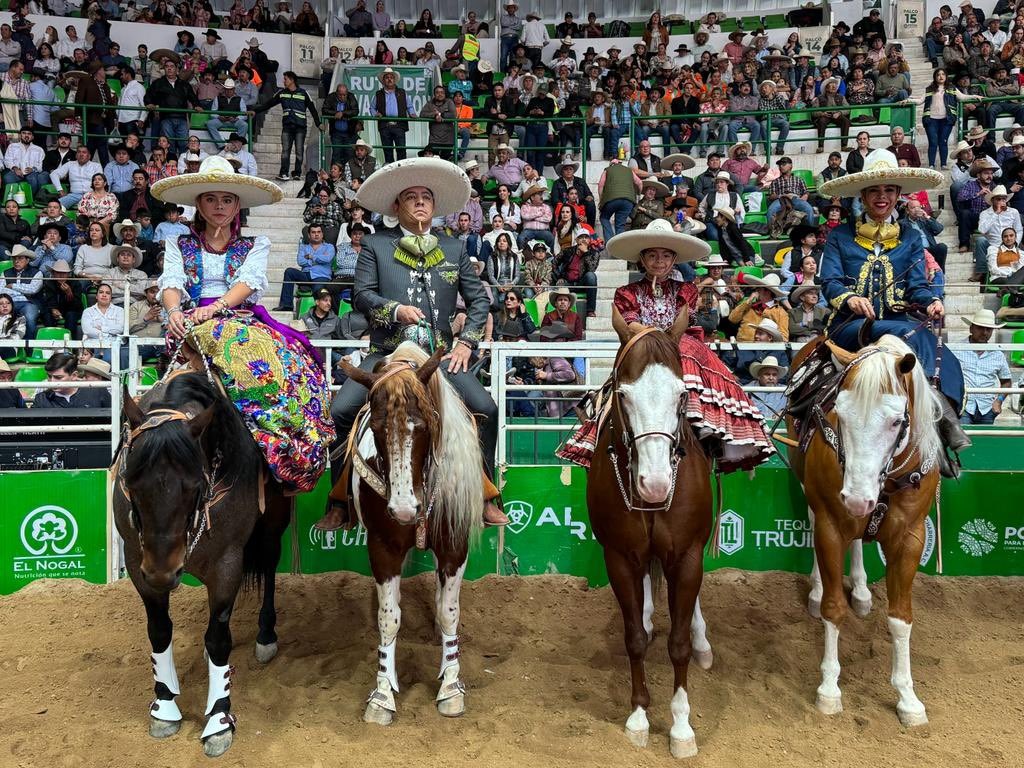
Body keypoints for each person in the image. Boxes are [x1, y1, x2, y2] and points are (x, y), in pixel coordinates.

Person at [319, 156, 507, 531]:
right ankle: (339, 500)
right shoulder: (374, 244)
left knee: (486, 407)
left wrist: (466, 343)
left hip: (439, 358)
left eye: (426, 197)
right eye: (411, 197)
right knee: (339, 412)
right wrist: (393, 310)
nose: (420, 202)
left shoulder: (454, 248)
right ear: (396, 206)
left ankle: (487, 493)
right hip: (385, 356)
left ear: (434, 206)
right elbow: (361, 295)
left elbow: (480, 300)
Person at [152, 155, 333, 493]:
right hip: (191, 321)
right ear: (198, 203)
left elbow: (248, 284)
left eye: (226, 199)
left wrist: (217, 308)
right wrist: (175, 312)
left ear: (237, 206)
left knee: (292, 366)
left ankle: (285, 451)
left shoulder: (255, 244)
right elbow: (172, 282)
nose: (219, 206)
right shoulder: (179, 243)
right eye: (210, 198)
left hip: (240, 319)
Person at [559, 219, 775, 471]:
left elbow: (684, 322)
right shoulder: (626, 292)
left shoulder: (686, 289)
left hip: (678, 342)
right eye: (652, 255)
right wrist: (656, 335)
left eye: (665, 255)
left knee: (685, 348)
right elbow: (630, 325)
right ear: (642, 258)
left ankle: (704, 420)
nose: (658, 261)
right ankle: (600, 435)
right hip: (642, 343)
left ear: (674, 259)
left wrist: (667, 336)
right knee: (616, 390)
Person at [818, 148, 969, 477]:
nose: (882, 197)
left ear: (899, 195)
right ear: (863, 195)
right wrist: (848, 299)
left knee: (942, 353)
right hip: (850, 326)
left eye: (889, 190)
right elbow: (828, 281)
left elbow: (917, 285)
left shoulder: (911, 238)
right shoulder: (839, 236)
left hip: (899, 323)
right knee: (900, 334)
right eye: (875, 190)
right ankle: (941, 417)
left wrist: (930, 300)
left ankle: (938, 425)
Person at [251, 71, 321, 181]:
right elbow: (268, 104)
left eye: (285, 79)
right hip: (287, 127)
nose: (284, 81)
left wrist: (319, 124)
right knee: (285, 151)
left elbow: (313, 109)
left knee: (299, 151)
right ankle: (284, 173)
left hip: (300, 127)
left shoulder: (303, 93)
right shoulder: (282, 93)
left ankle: (297, 173)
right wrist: (255, 110)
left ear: (292, 80)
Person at [952, 309, 1012, 425]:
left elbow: (1006, 382)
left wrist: (999, 401)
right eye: (980, 328)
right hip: (963, 406)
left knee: (984, 440)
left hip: (987, 408)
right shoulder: (956, 350)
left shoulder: (997, 354)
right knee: (966, 439)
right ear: (971, 329)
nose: (984, 333)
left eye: (988, 329)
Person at [275, 223, 335, 311]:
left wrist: (311, 257)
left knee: (318, 291)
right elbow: (300, 261)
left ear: (322, 234)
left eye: (319, 232)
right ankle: (286, 305)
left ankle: (316, 313)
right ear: (309, 235)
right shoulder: (304, 247)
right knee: (289, 272)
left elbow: (327, 259)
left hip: (321, 276)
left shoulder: (329, 247)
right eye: (313, 232)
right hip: (305, 275)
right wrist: (318, 260)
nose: (316, 234)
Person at [32, 352, 110, 408]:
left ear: (74, 376)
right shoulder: (41, 399)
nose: (52, 381)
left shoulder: (98, 392)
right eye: (49, 376)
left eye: (58, 377)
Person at [371, 67, 415, 164]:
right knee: (387, 152)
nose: (389, 79)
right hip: (385, 126)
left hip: (399, 125)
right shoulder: (378, 94)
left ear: (394, 80)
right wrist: (375, 114)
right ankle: (390, 176)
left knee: (401, 151)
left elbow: (410, 106)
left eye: (391, 77)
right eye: (387, 77)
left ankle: (402, 173)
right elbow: (372, 108)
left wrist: (412, 113)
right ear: (383, 80)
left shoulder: (402, 92)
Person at [749, 356, 788, 420]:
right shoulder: (747, 389)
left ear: (777, 377)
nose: (771, 378)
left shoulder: (786, 391)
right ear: (759, 376)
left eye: (774, 375)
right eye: (767, 374)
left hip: (779, 427)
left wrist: (785, 413)